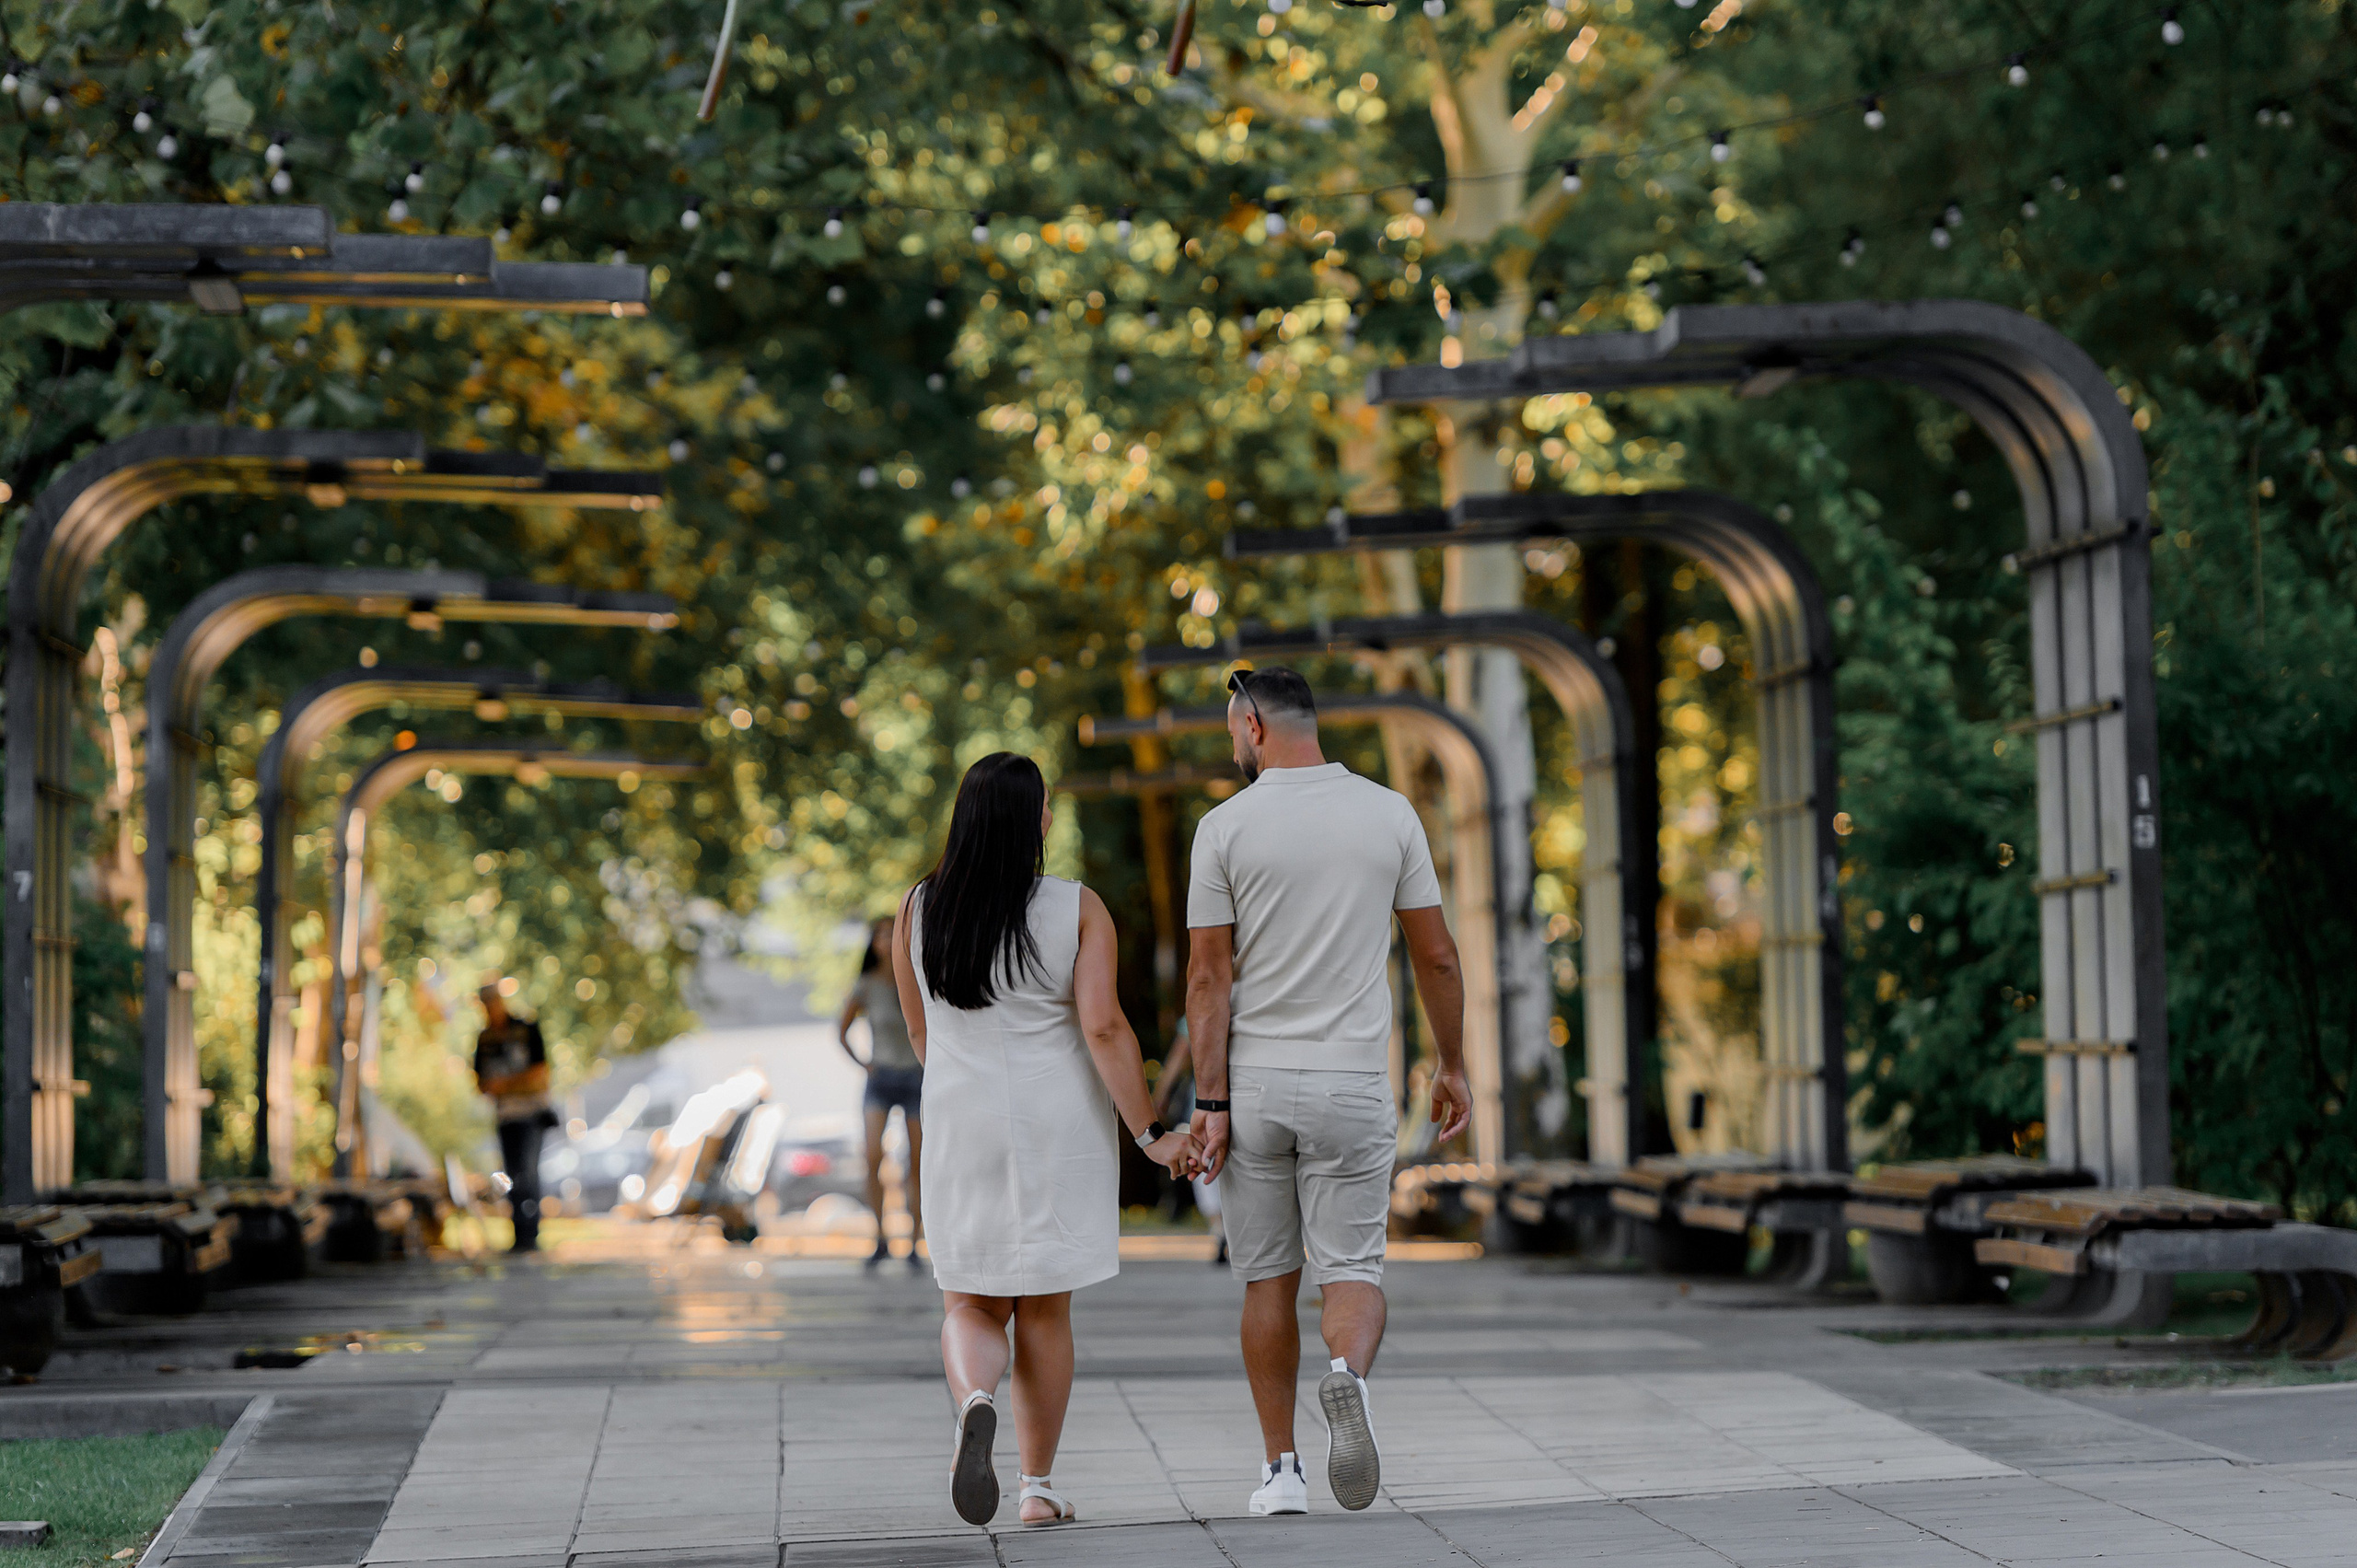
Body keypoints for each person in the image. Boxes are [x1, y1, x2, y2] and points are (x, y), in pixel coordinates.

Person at [1184, 666, 1471, 1517]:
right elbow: (1438, 956)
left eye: (1234, 730)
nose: (1233, 743)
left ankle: (1281, 1472)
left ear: (1256, 727)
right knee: (1352, 1267)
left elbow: (1208, 977)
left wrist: (1209, 1105)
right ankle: (1346, 1377)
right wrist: (1451, 1063)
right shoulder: (1389, 813)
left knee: (1268, 1279)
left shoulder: (1223, 827)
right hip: (1351, 1079)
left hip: (1257, 1082)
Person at [891, 752, 1194, 1528]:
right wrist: (1151, 1133)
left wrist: (968, 1092)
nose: (1053, 816)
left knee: (969, 1298)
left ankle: (977, 1399)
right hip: (1057, 1125)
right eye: (1048, 806)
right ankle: (1035, 1486)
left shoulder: (916, 910)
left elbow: (921, 1029)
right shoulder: (1076, 907)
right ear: (1032, 820)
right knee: (1045, 1310)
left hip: (960, 1121)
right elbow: (1102, 1026)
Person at [838, 916, 925, 1269]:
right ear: (872, 943)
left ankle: (915, 1243)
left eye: (892, 933)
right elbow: (841, 1030)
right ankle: (879, 1237)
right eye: (880, 934)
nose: (886, 939)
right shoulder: (866, 985)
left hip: (917, 1078)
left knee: (917, 1164)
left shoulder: (920, 980)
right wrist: (864, 1064)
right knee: (873, 1155)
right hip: (881, 1078)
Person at [472, 980, 555, 1254]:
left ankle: (531, 1233)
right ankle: (519, 1235)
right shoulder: (485, 1038)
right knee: (512, 1175)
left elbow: (540, 1074)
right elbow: (481, 1083)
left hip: (531, 1114)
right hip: (506, 1116)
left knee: (528, 1172)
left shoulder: (526, 1029)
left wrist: (506, 1085)